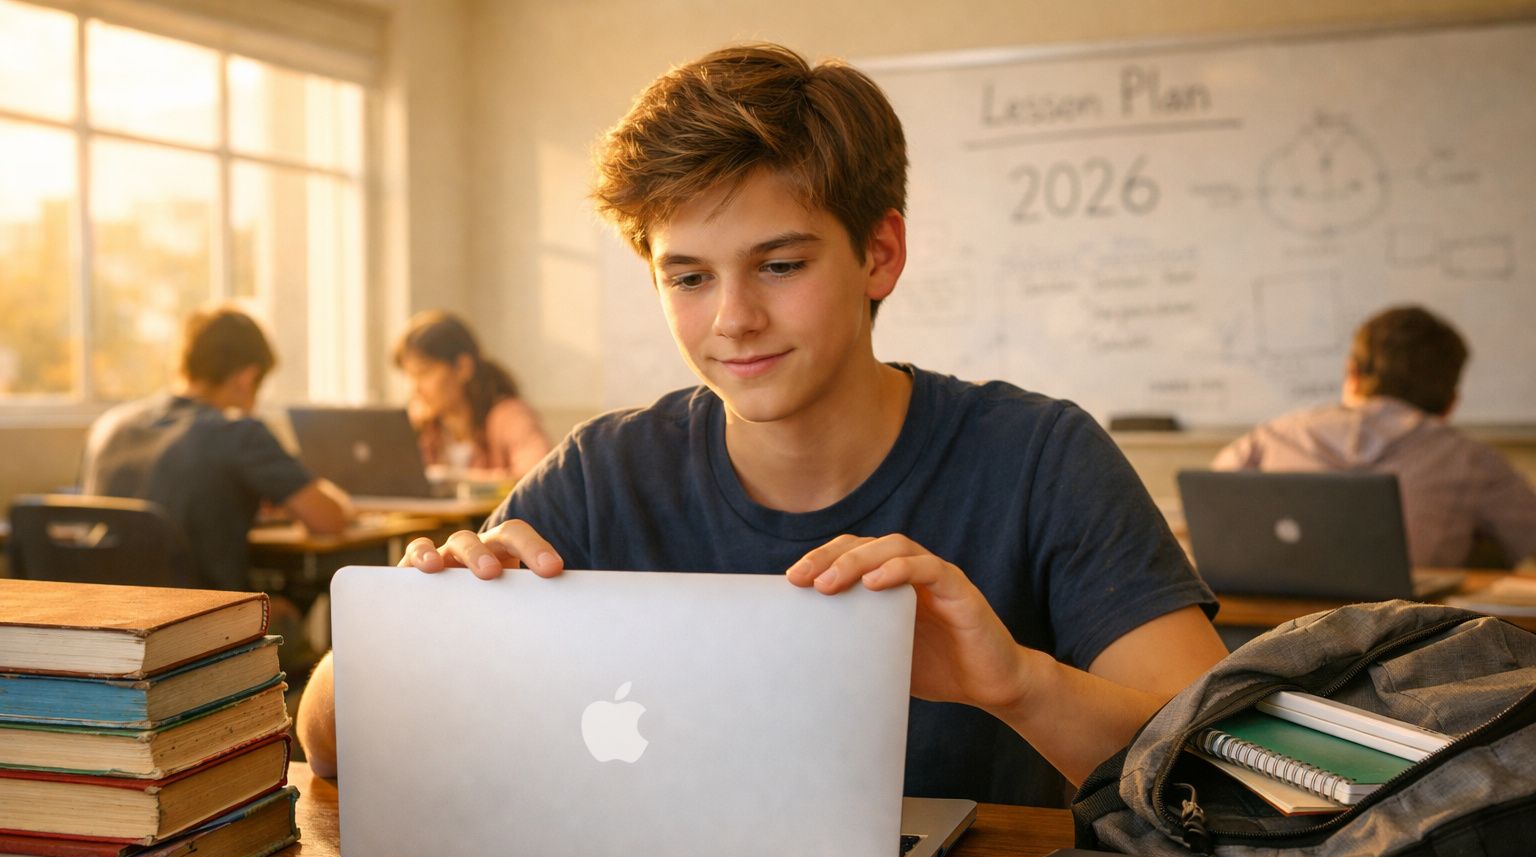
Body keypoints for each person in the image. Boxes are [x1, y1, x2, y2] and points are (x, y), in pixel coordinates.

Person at [298, 44, 1227, 799]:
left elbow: (1227, 767)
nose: (731, 319)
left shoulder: (1039, 459)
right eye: (689, 277)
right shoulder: (603, 473)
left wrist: (1018, 685)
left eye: (780, 266)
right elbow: (328, 746)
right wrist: (418, 626)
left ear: (880, 253)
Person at [81, 306, 353, 662]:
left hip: (109, 633)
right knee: (307, 596)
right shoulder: (238, 432)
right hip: (205, 634)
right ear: (246, 377)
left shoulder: (109, 427)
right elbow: (329, 520)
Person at [1213, 305, 1536, 568]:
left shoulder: (1270, 437)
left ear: (1351, 374)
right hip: (1409, 635)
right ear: (1450, 402)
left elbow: (1208, 512)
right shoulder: (1473, 460)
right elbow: (1528, 541)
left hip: (1265, 630)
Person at [394, 310, 551, 480]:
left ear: (462, 367)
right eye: (410, 376)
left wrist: (450, 478)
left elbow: (540, 478)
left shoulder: (508, 415)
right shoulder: (427, 429)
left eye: (424, 373)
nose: (415, 388)